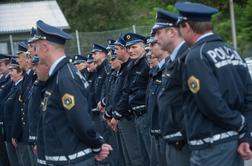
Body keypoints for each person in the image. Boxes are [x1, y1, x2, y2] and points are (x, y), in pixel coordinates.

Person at [175, 1, 252, 166]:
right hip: (232, 140)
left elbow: (210, 101)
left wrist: (239, 123)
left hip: (211, 145)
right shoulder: (232, 52)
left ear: (187, 26)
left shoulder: (197, 56)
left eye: (180, 28)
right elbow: (249, 97)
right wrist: (244, 133)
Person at [30, 20, 112, 166]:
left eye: (35, 47)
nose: (34, 52)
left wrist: (96, 145)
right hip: (62, 157)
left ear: (44, 46)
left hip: (71, 159)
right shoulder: (57, 75)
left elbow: (79, 118)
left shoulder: (65, 77)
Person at [153, 8, 191, 166]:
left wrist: (181, 132)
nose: (155, 38)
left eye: (158, 33)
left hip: (183, 141)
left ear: (172, 32)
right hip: (172, 138)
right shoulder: (172, 61)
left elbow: (195, 100)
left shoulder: (187, 57)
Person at [113, 32, 150, 166]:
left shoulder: (146, 64)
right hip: (136, 116)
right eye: (129, 48)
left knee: (150, 157)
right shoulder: (131, 66)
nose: (131, 51)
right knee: (142, 156)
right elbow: (126, 90)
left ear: (143, 47)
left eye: (134, 47)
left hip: (145, 114)